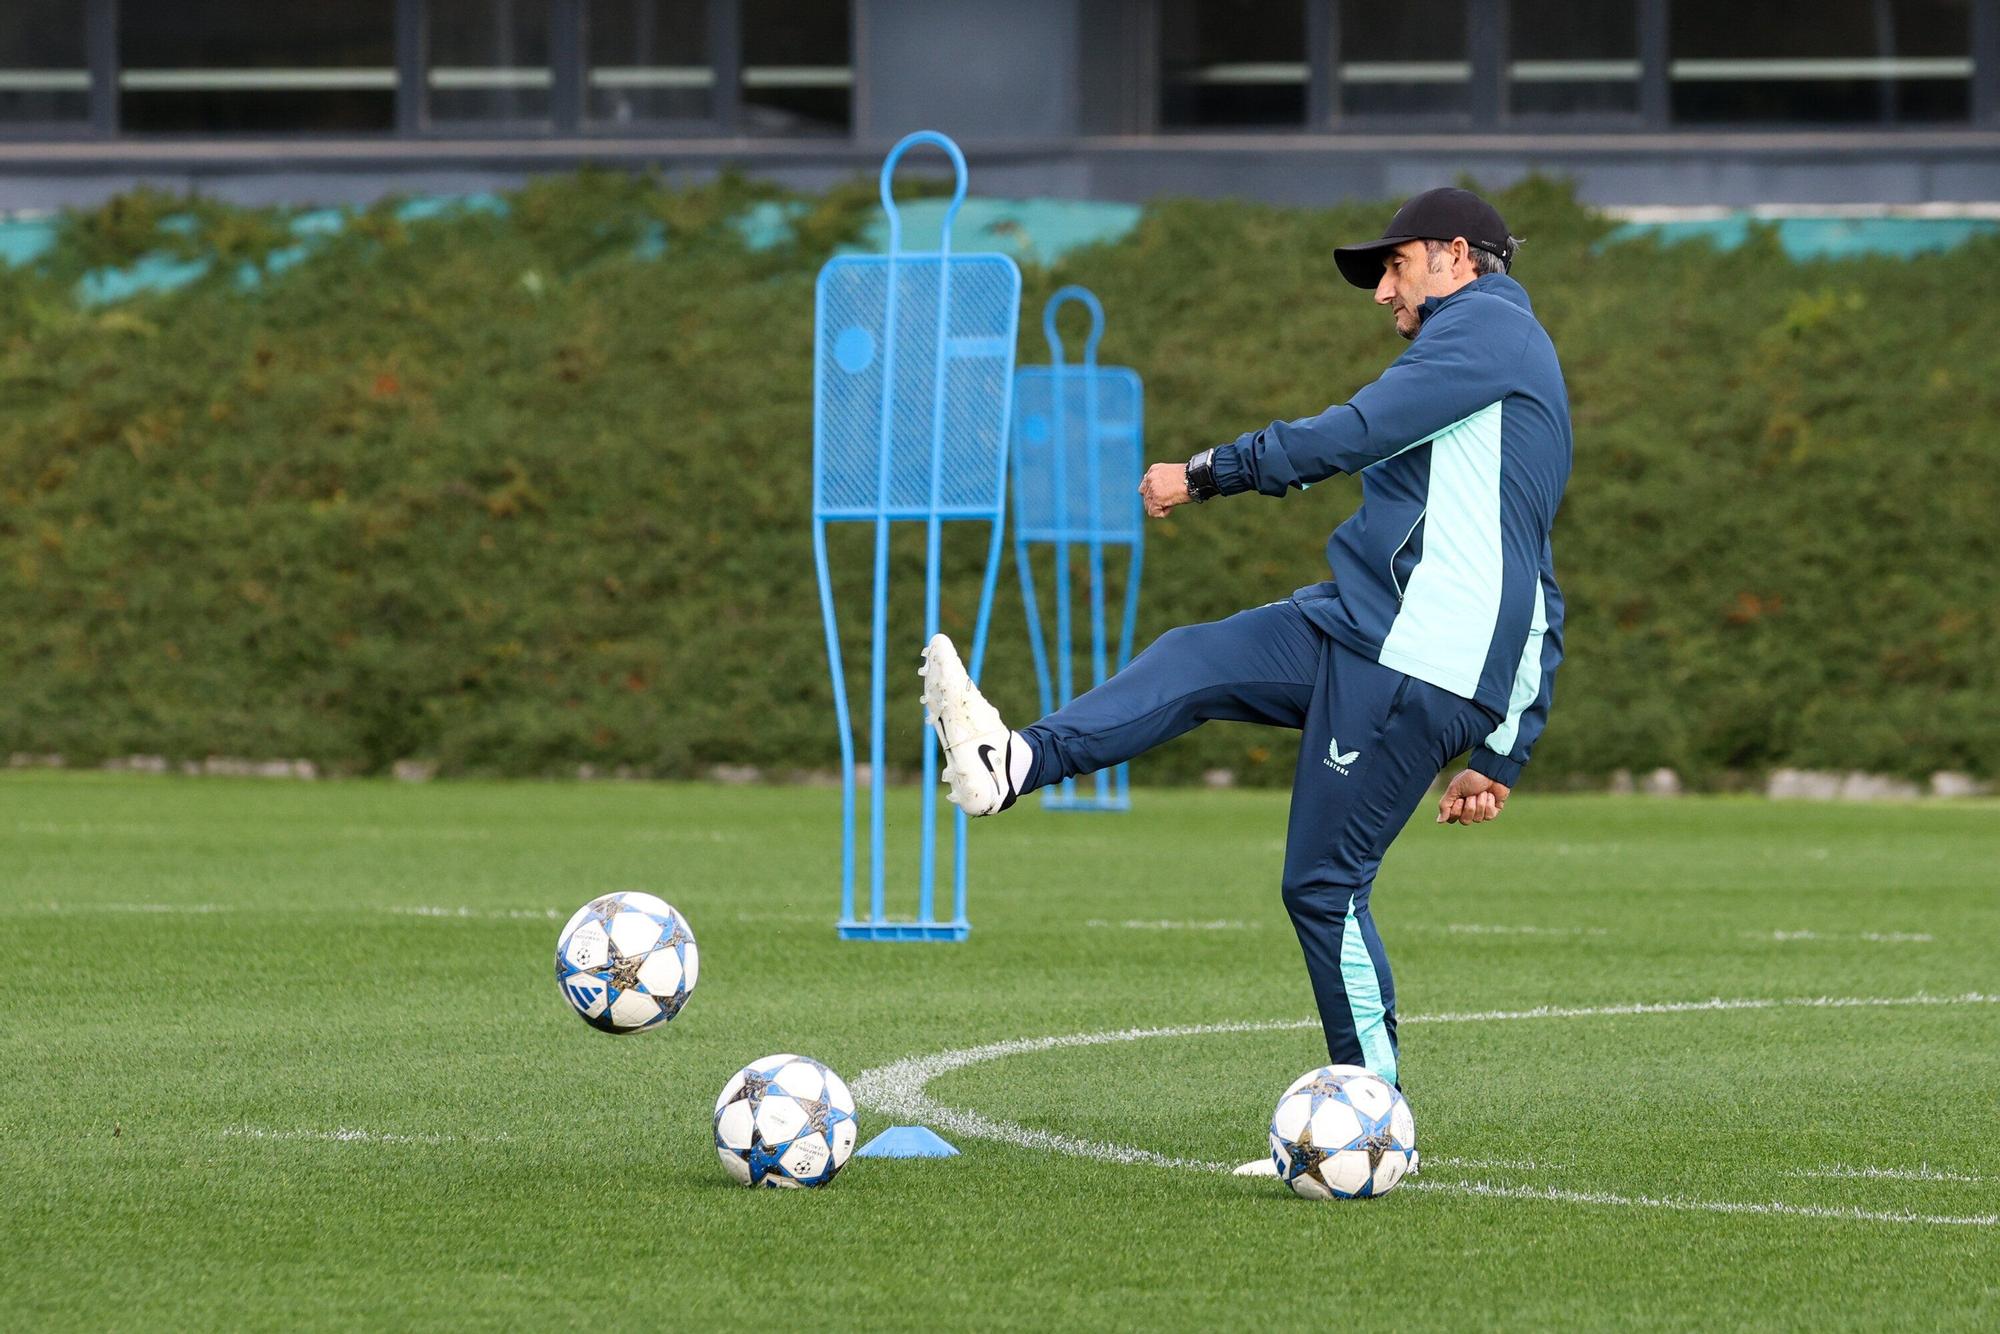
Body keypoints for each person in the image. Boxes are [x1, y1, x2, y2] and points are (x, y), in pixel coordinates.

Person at [920, 187, 1571, 1164]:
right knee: (1192, 657)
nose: (1380, 291)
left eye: (1392, 267)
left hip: (1412, 654)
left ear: (1454, 256)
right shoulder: (1486, 350)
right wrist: (1503, 749)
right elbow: (1540, 579)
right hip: (1364, 625)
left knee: (1322, 884)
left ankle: (1373, 1120)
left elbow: (1352, 431)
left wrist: (1208, 469)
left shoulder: (1484, 333)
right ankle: (1006, 762)